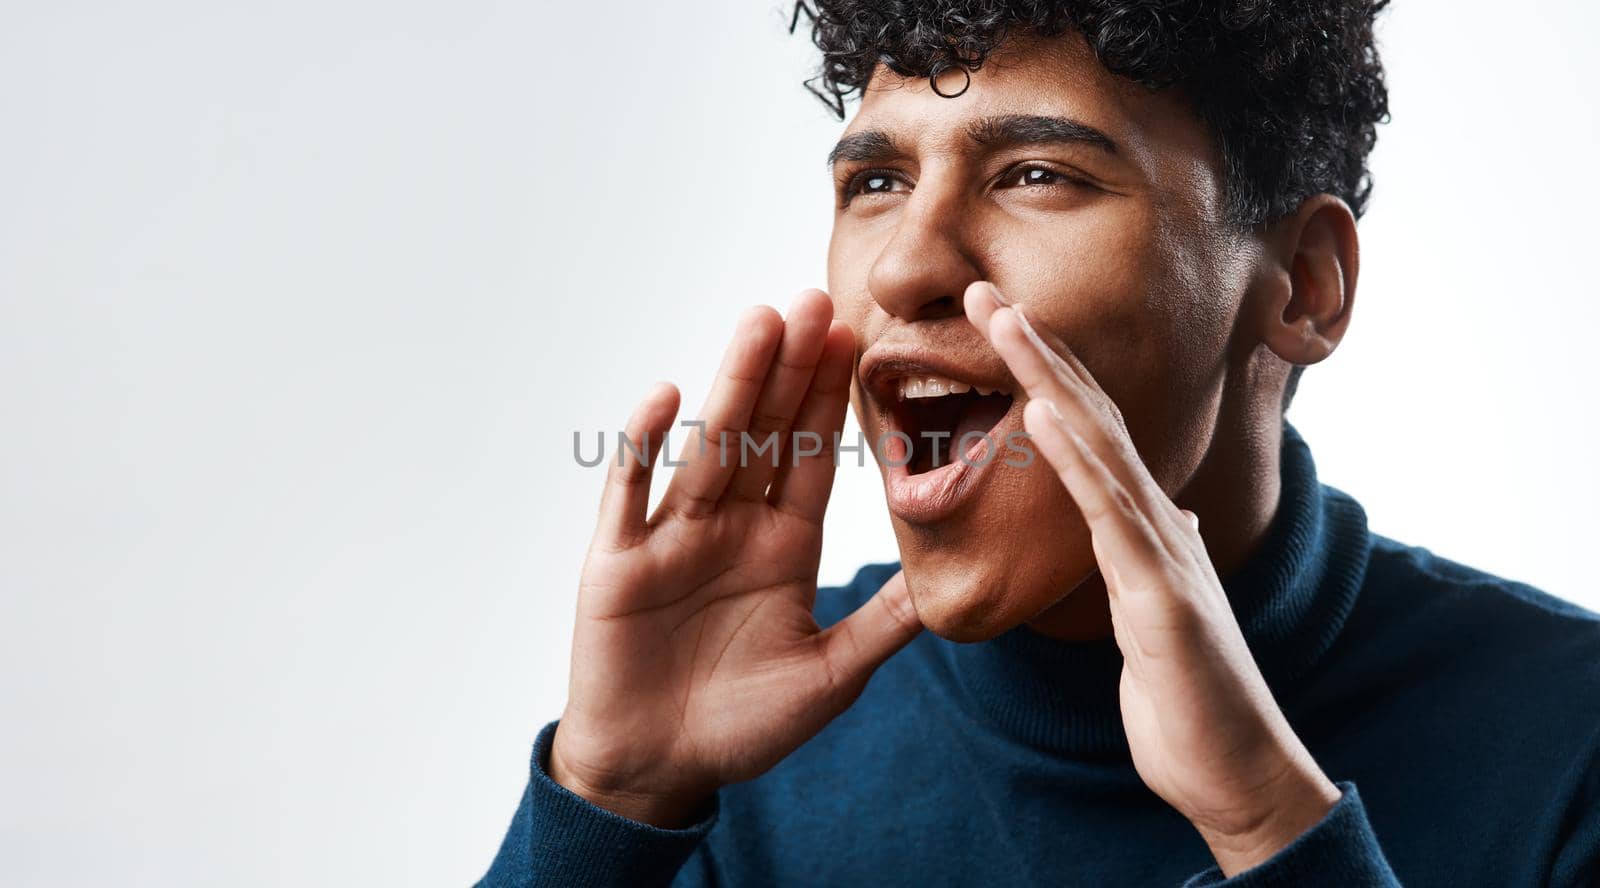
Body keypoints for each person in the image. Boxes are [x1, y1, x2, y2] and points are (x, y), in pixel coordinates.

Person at [479, 2, 1600, 884]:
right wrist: (606, 805)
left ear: (1302, 285)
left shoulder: (1568, 745)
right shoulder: (737, 740)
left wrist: (1267, 823)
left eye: (1034, 175)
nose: (902, 269)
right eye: (877, 181)